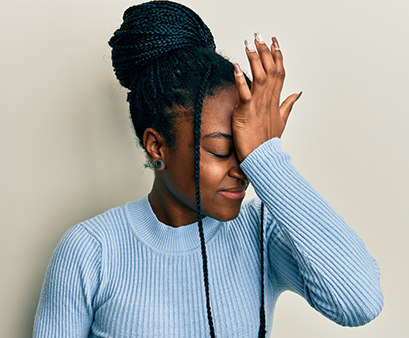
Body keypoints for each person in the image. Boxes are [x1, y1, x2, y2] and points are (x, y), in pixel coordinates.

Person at [33, 1, 383, 337]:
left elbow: (360, 303)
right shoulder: (91, 250)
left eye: (245, 151)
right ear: (157, 146)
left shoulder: (261, 232)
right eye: (220, 150)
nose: (242, 169)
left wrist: (267, 157)